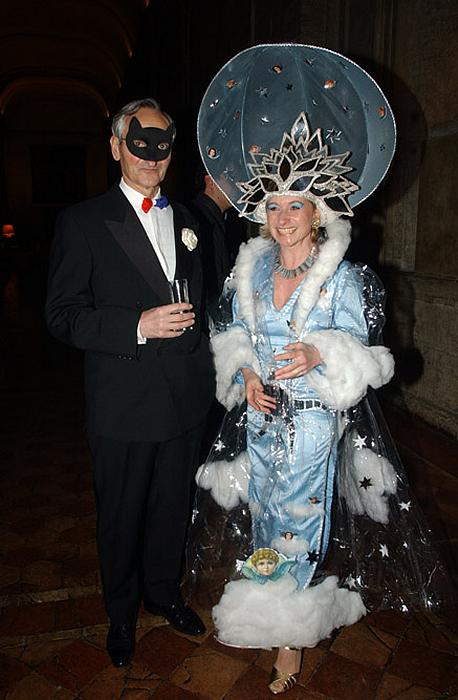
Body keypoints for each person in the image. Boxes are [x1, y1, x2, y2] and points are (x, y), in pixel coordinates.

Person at [187, 45, 450, 696]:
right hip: (260, 419)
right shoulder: (250, 272)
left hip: (310, 421)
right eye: (274, 206)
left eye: (295, 206)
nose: (283, 219)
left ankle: (289, 636)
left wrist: (320, 352)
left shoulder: (343, 279)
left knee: (301, 522)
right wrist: (246, 377)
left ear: (318, 212)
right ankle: (268, 606)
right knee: (264, 514)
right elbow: (233, 336)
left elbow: (368, 358)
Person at [46, 98, 215, 667]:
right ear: (117, 147)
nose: (151, 156)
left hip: (185, 396)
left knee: (172, 505)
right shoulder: (83, 222)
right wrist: (136, 326)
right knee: (121, 514)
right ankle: (120, 614)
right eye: (139, 144)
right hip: (122, 403)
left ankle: (163, 593)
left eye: (162, 145)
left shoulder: (188, 220)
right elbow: (62, 315)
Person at [188, 169, 233, 326]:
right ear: (210, 181)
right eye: (229, 177)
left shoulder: (219, 218)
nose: (237, 184)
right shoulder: (199, 219)